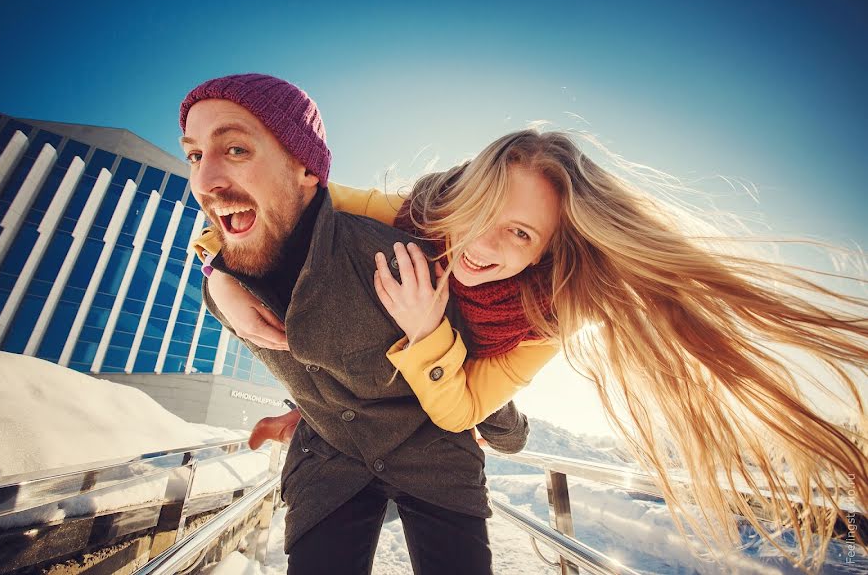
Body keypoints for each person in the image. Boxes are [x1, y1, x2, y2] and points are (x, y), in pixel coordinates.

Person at [199, 125, 868, 568]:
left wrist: (429, 332)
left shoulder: (547, 319)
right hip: (338, 442)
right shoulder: (402, 217)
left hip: (440, 442)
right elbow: (273, 207)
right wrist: (217, 269)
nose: (485, 244)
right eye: (482, 212)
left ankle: (512, 423)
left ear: (550, 248)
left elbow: (460, 412)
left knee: (499, 430)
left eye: (520, 234)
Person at [180, 73, 530, 575]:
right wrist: (217, 275)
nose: (204, 179)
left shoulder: (390, 258)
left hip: (435, 457)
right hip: (329, 463)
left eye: (236, 149)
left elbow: (467, 353)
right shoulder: (230, 289)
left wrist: (508, 433)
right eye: (194, 155)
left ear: (305, 167)